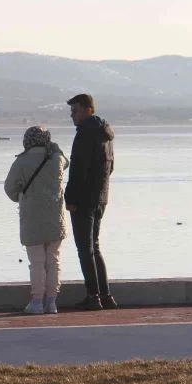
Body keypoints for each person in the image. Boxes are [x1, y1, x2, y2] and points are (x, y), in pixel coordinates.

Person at [5, 126, 69, 314]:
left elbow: (10, 189)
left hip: (32, 218)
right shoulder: (56, 159)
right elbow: (67, 162)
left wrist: (22, 197)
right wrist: (55, 148)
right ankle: (52, 302)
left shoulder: (21, 162)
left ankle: (37, 301)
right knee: (53, 260)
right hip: (55, 218)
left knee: (37, 262)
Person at [65, 93, 117, 311]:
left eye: (75, 111)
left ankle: (93, 296)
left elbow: (78, 170)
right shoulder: (105, 135)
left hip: (85, 200)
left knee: (85, 249)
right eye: (71, 112)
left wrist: (70, 198)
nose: (72, 116)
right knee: (94, 246)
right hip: (101, 198)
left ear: (88, 109)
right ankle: (105, 296)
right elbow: (110, 168)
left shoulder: (85, 134)